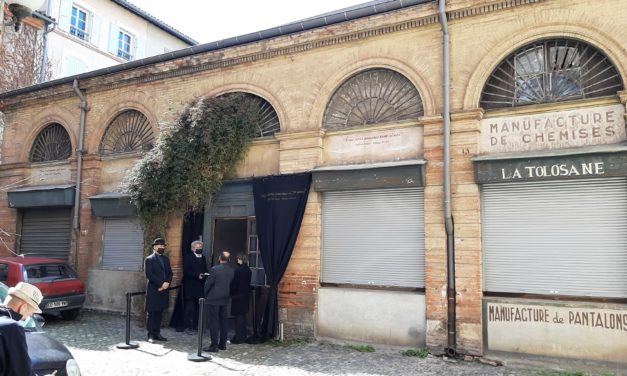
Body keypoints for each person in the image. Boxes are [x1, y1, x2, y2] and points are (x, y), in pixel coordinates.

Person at [0, 282, 43, 376]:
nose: (30, 315)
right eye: (32, 311)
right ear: (23, 307)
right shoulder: (11, 328)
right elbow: (22, 372)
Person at [203, 251, 234, 352]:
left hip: (213, 299)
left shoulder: (215, 269)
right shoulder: (231, 270)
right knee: (223, 322)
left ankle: (214, 345)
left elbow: (208, 284)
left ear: (219, 259)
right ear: (228, 260)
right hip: (224, 298)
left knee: (214, 322)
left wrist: (205, 295)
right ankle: (222, 344)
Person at [144, 237, 173, 343]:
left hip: (164, 290)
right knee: (152, 313)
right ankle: (150, 335)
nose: (162, 247)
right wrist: (161, 284)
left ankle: (157, 333)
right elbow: (149, 275)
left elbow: (170, 273)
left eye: (163, 246)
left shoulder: (166, 259)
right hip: (154, 289)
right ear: (154, 247)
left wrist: (167, 283)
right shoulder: (149, 259)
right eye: (160, 246)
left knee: (160, 312)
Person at [182, 240, 208, 332]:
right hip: (191, 285)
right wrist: (197, 275)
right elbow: (186, 271)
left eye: (201, 248)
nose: (200, 249)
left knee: (198, 307)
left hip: (200, 286)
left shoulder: (203, 258)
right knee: (189, 306)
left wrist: (205, 275)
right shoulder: (188, 257)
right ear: (193, 249)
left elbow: (205, 269)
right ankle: (187, 325)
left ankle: (195, 325)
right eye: (198, 248)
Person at [230, 254, 252, 344]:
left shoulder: (238, 270)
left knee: (238, 317)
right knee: (243, 316)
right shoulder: (248, 270)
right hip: (245, 296)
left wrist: (230, 293)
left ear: (240, 260)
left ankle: (238, 337)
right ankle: (243, 335)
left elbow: (234, 284)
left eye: (237, 259)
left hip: (238, 296)